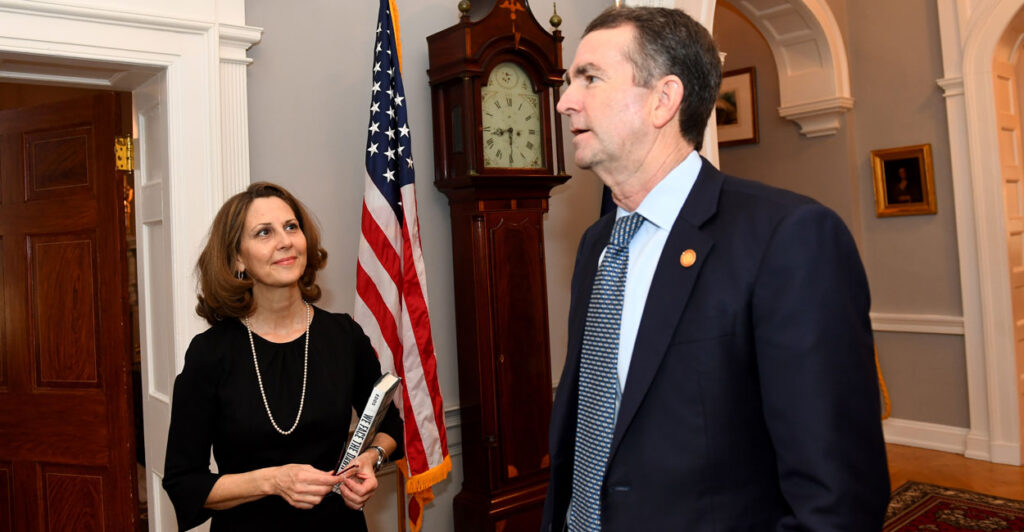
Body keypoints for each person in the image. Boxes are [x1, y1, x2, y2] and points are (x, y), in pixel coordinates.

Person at [543, 7, 889, 531]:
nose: (566, 101)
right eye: (571, 82)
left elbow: (836, 498)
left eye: (589, 78)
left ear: (664, 99)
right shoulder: (598, 244)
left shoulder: (789, 238)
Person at [163, 182, 402, 531]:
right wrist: (274, 481)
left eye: (291, 227)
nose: (285, 240)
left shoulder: (344, 336)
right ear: (238, 259)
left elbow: (391, 424)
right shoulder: (210, 354)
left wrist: (371, 458)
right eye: (264, 232)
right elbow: (184, 482)